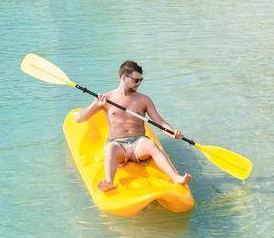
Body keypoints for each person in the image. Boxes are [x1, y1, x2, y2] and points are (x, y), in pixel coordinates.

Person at [73, 60, 190, 191]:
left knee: (151, 145)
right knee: (110, 148)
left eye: (141, 80)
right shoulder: (106, 98)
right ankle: (109, 182)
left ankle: (175, 177)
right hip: (117, 144)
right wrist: (96, 105)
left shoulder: (144, 99)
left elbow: (160, 122)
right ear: (124, 77)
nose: (139, 84)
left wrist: (172, 132)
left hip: (138, 143)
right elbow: (80, 118)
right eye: (136, 80)